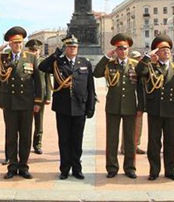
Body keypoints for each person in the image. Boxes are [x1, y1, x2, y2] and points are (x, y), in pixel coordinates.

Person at [0, 26, 42, 179]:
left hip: (26, 103)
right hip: (9, 103)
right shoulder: (3, 57)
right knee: (11, 136)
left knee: (25, 136)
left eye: (20, 42)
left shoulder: (31, 57)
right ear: (10, 43)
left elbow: (38, 81)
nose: (18, 45)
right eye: (15, 43)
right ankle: (12, 166)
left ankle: (23, 166)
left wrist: (37, 101)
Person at [38, 35, 96, 180]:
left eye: (74, 47)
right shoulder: (58, 62)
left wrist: (91, 106)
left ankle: (77, 168)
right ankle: (64, 169)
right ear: (65, 48)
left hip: (80, 106)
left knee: (77, 140)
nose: (72, 49)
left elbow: (90, 86)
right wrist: (55, 55)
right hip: (63, 107)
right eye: (69, 47)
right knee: (64, 140)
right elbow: (42, 67)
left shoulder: (85, 63)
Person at [135, 34, 174, 181]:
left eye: (168, 49)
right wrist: (148, 57)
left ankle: (170, 170)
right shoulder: (151, 66)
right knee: (154, 142)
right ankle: (154, 170)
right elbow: (139, 71)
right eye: (162, 49)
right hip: (155, 109)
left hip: (171, 110)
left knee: (170, 142)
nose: (166, 51)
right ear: (156, 52)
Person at [93, 33, 141, 179]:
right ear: (115, 50)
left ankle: (130, 168)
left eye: (125, 48)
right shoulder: (109, 64)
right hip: (113, 106)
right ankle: (112, 167)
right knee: (112, 139)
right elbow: (96, 73)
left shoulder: (135, 65)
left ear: (129, 49)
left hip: (130, 106)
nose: (122, 51)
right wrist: (106, 57)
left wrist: (141, 106)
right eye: (119, 48)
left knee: (130, 139)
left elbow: (141, 87)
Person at [26, 39, 51, 155]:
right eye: (32, 50)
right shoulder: (25, 61)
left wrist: (48, 96)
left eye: (36, 50)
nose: (34, 52)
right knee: (25, 122)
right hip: (26, 96)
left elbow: (47, 79)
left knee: (39, 122)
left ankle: (37, 144)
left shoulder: (43, 62)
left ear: (39, 50)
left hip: (40, 96)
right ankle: (25, 144)